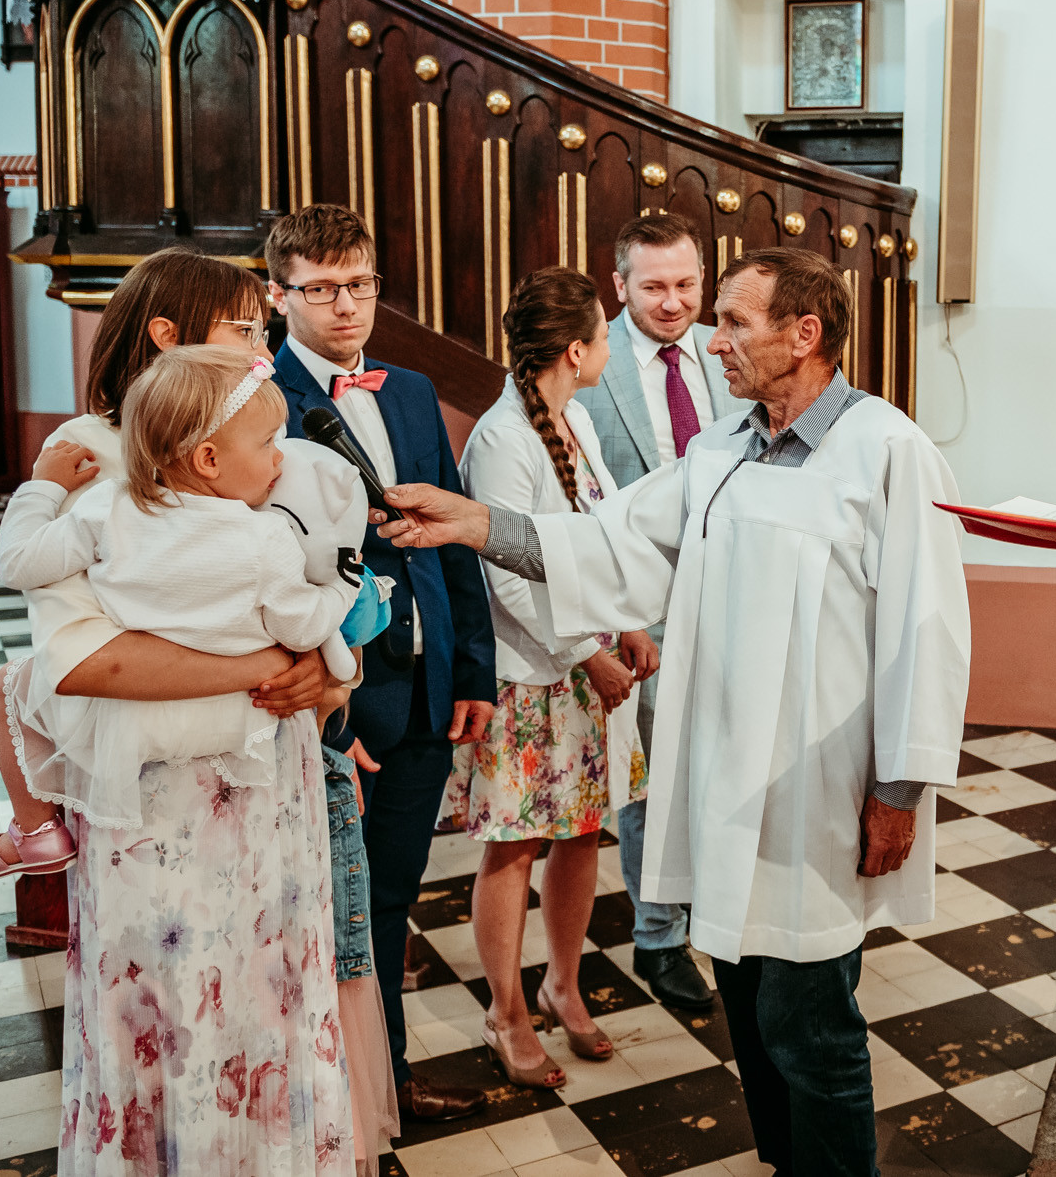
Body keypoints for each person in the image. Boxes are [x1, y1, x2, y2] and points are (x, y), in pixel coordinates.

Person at [372, 248, 972, 1177]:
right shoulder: (720, 451)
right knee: (748, 997)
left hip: (816, 788)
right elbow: (606, 545)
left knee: (810, 1020)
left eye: (734, 321)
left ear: (804, 334)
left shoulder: (887, 451)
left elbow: (927, 632)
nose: (711, 340)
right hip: (724, 779)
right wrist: (476, 522)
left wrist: (900, 789)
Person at [0, 250, 362, 1173]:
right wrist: (279, 661)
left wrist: (330, 679)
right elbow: (84, 660)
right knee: (177, 1012)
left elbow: (307, 580)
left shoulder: (251, 434)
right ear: (168, 333)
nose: (263, 346)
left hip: (272, 778)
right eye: (243, 328)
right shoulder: (87, 455)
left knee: (271, 1000)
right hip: (161, 802)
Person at [266, 204, 497, 1124]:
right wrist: (329, 712)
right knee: (329, 909)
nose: (345, 305)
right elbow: (270, 573)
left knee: (392, 898)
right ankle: (327, 1104)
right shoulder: (261, 400)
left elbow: (453, 534)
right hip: (341, 697)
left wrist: (472, 670)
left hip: (427, 685)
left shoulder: (409, 388)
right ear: (279, 295)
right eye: (321, 289)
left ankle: (385, 1083)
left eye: (359, 284)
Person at [0, 345, 357, 838]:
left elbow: (19, 563)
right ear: (208, 459)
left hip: (128, 731)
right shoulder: (266, 538)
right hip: (243, 729)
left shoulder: (107, 505)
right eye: (268, 442)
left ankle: (32, 833)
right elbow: (303, 628)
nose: (280, 458)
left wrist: (43, 488)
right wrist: (344, 587)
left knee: (17, 688)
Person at [451, 267, 655, 1088]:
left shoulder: (577, 420)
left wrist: (628, 621)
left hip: (587, 668)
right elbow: (502, 574)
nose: (610, 347)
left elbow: (599, 538)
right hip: (532, 676)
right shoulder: (503, 438)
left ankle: (561, 983)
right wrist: (587, 655)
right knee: (516, 845)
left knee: (580, 833)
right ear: (575, 350)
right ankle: (506, 1010)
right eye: (604, 335)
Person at [576, 214, 737, 1010]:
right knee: (654, 778)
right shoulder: (588, 362)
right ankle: (658, 934)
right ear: (619, 285)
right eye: (653, 287)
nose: (673, 303)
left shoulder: (726, 349)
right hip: (640, 605)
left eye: (686, 284)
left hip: (731, 592)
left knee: (725, 762)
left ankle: (720, 909)